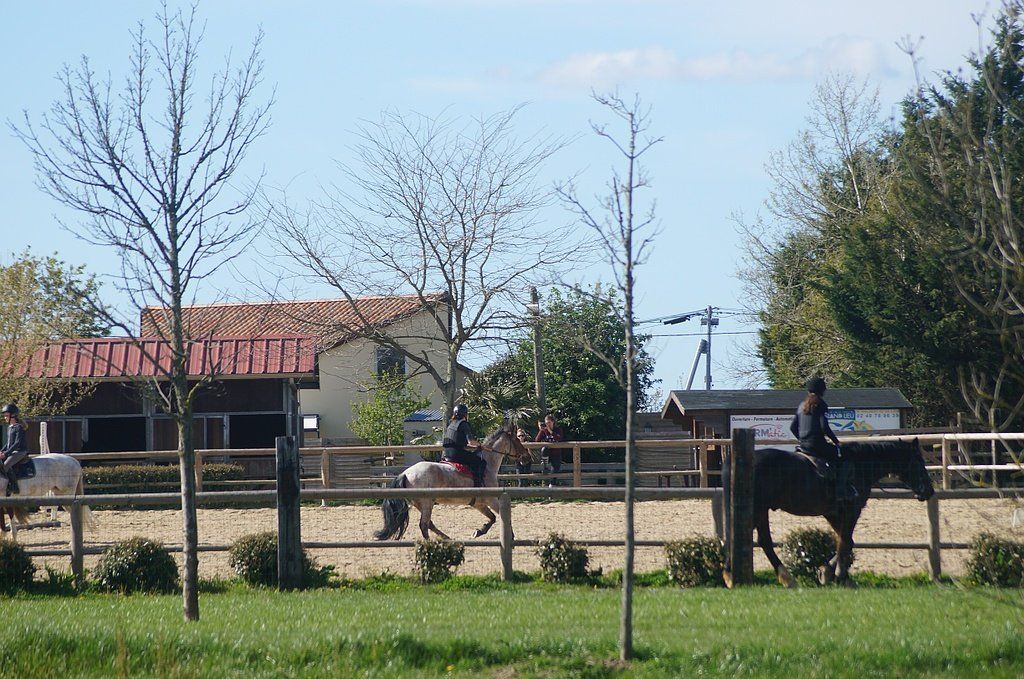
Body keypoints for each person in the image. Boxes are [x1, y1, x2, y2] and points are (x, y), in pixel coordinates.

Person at [789, 378, 857, 502]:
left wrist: (802, 440)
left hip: (803, 446)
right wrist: (836, 442)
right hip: (817, 446)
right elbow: (824, 427)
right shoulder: (820, 404)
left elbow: (792, 427)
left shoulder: (801, 405)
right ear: (822, 391)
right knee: (846, 457)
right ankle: (840, 491)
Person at [441, 404, 487, 487]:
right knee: (479, 461)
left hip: (446, 454)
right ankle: (478, 484)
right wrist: (480, 445)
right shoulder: (464, 424)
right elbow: (471, 442)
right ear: (465, 414)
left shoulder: (451, 424)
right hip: (456, 454)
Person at [1, 403, 28, 495]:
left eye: (6, 416)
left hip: (20, 451)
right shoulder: (10, 427)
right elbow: (8, 443)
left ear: (13, 416)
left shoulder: (18, 427)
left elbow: (17, 443)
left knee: (5, 465)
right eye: (4, 415)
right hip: (12, 451)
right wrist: (2, 451)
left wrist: (6, 453)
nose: (5, 417)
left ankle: (14, 486)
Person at [535, 414, 565, 485]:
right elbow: (537, 440)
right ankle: (545, 465)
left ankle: (552, 485)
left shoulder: (558, 430)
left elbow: (559, 438)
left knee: (555, 471)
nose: (547, 424)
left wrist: (551, 432)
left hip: (556, 454)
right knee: (544, 448)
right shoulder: (544, 430)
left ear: (553, 422)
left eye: (549, 422)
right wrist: (541, 430)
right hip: (547, 453)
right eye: (546, 423)